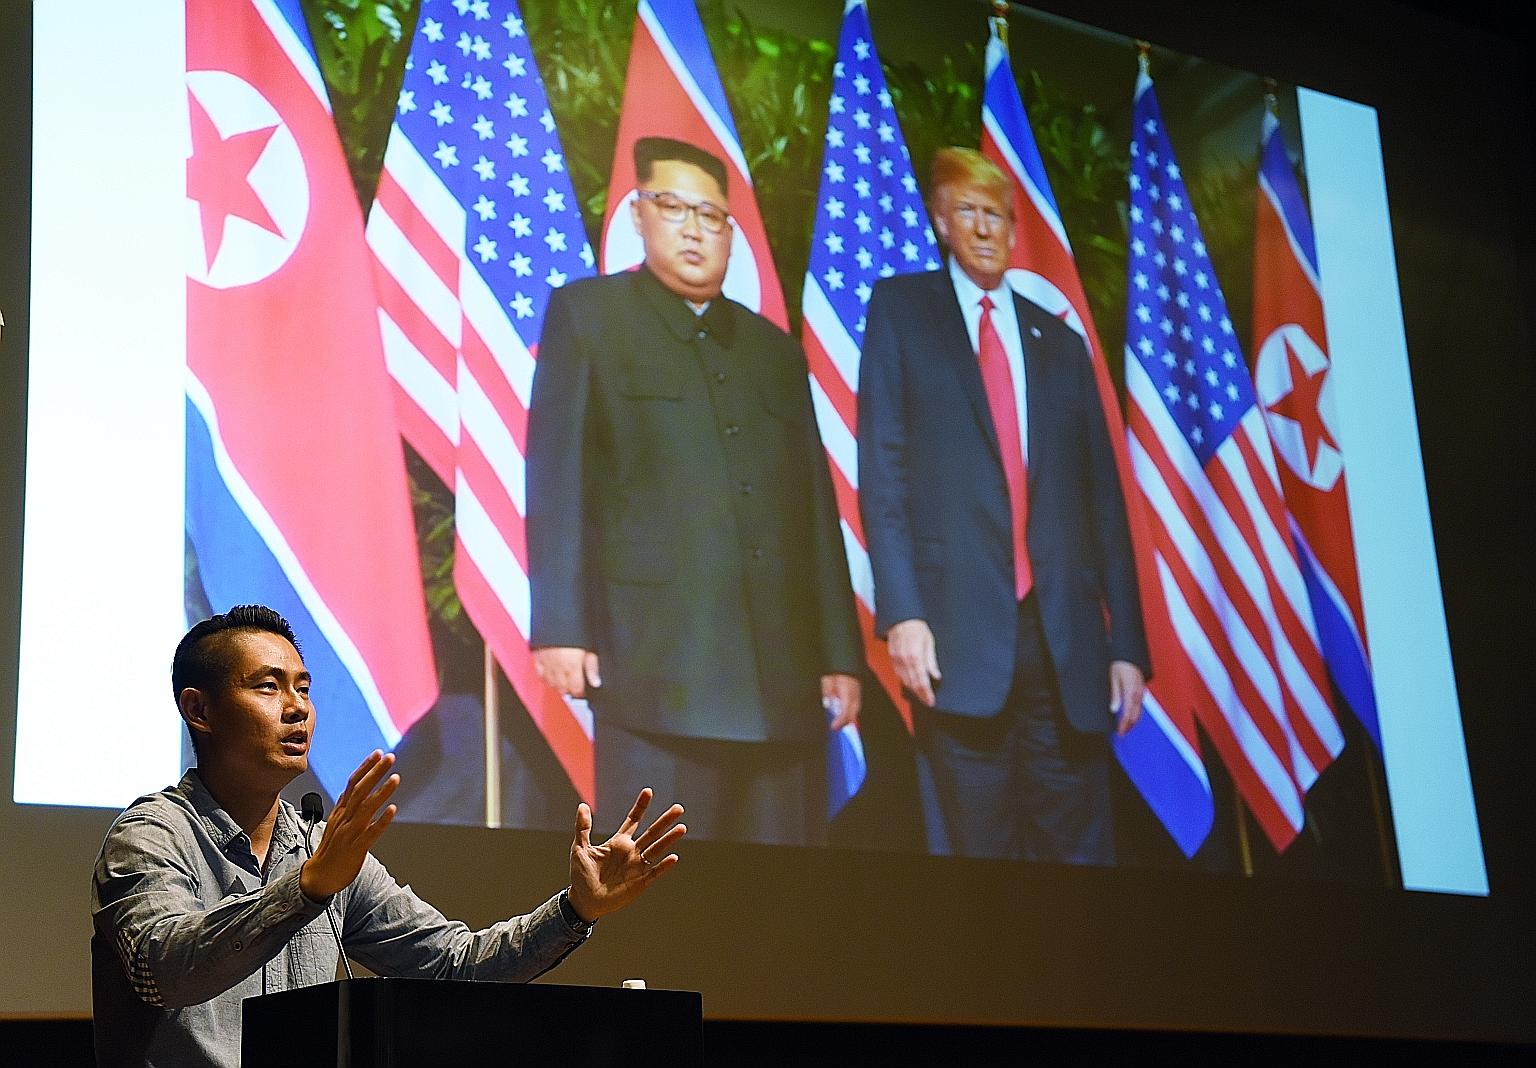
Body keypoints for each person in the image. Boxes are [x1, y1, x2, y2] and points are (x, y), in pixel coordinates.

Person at [92, 605, 685, 1068]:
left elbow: (457, 967)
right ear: (199, 711)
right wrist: (304, 890)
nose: (299, 708)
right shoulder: (151, 837)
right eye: (269, 687)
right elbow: (161, 972)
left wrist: (575, 910)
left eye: (304, 687)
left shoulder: (319, 851)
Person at [526, 136, 862, 847]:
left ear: (732, 236)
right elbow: (557, 480)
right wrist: (561, 625)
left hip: (783, 678)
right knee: (662, 891)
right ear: (639, 215)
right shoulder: (590, 317)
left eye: (711, 215)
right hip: (655, 668)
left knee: (785, 894)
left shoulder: (774, 349)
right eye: (673, 207)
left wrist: (839, 654)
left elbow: (815, 511)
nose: (693, 228)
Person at [856, 148, 1150, 864]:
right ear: (940, 222)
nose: (984, 228)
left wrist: (1128, 646)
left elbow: (1102, 502)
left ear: (1014, 229)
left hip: (1067, 646)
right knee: (976, 863)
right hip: (956, 640)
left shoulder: (1058, 339)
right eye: (968, 212)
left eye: (996, 215)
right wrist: (902, 613)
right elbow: (882, 475)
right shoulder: (902, 312)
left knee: (1078, 867)